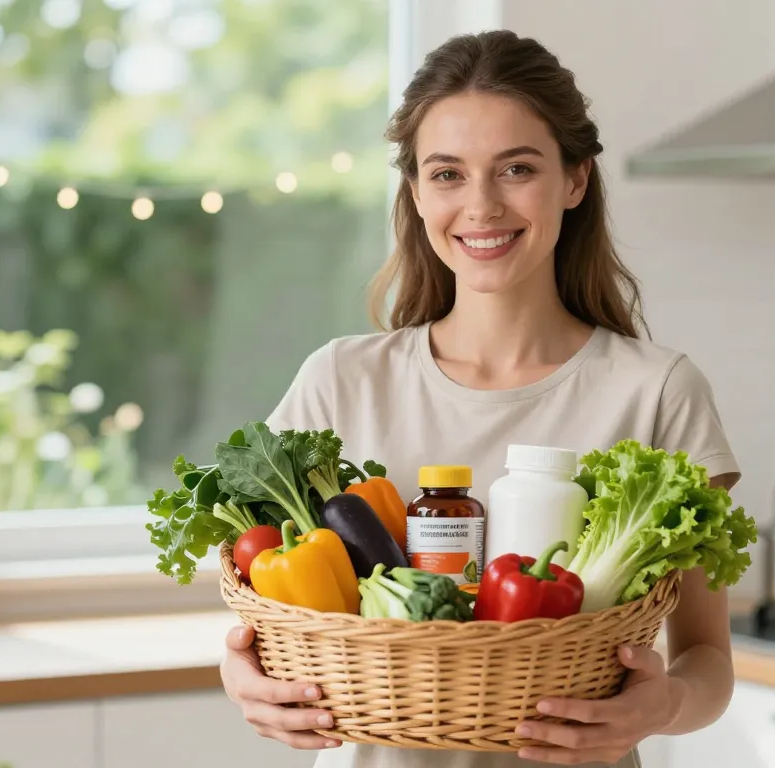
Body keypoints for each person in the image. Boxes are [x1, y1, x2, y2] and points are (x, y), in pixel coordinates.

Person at [221, 29, 740, 768]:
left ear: (574, 180)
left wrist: (666, 705)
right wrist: (242, 678)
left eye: (516, 168)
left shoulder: (656, 390)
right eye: (447, 174)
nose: (482, 206)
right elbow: (260, 613)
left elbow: (707, 658)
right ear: (416, 191)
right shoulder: (341, 379)